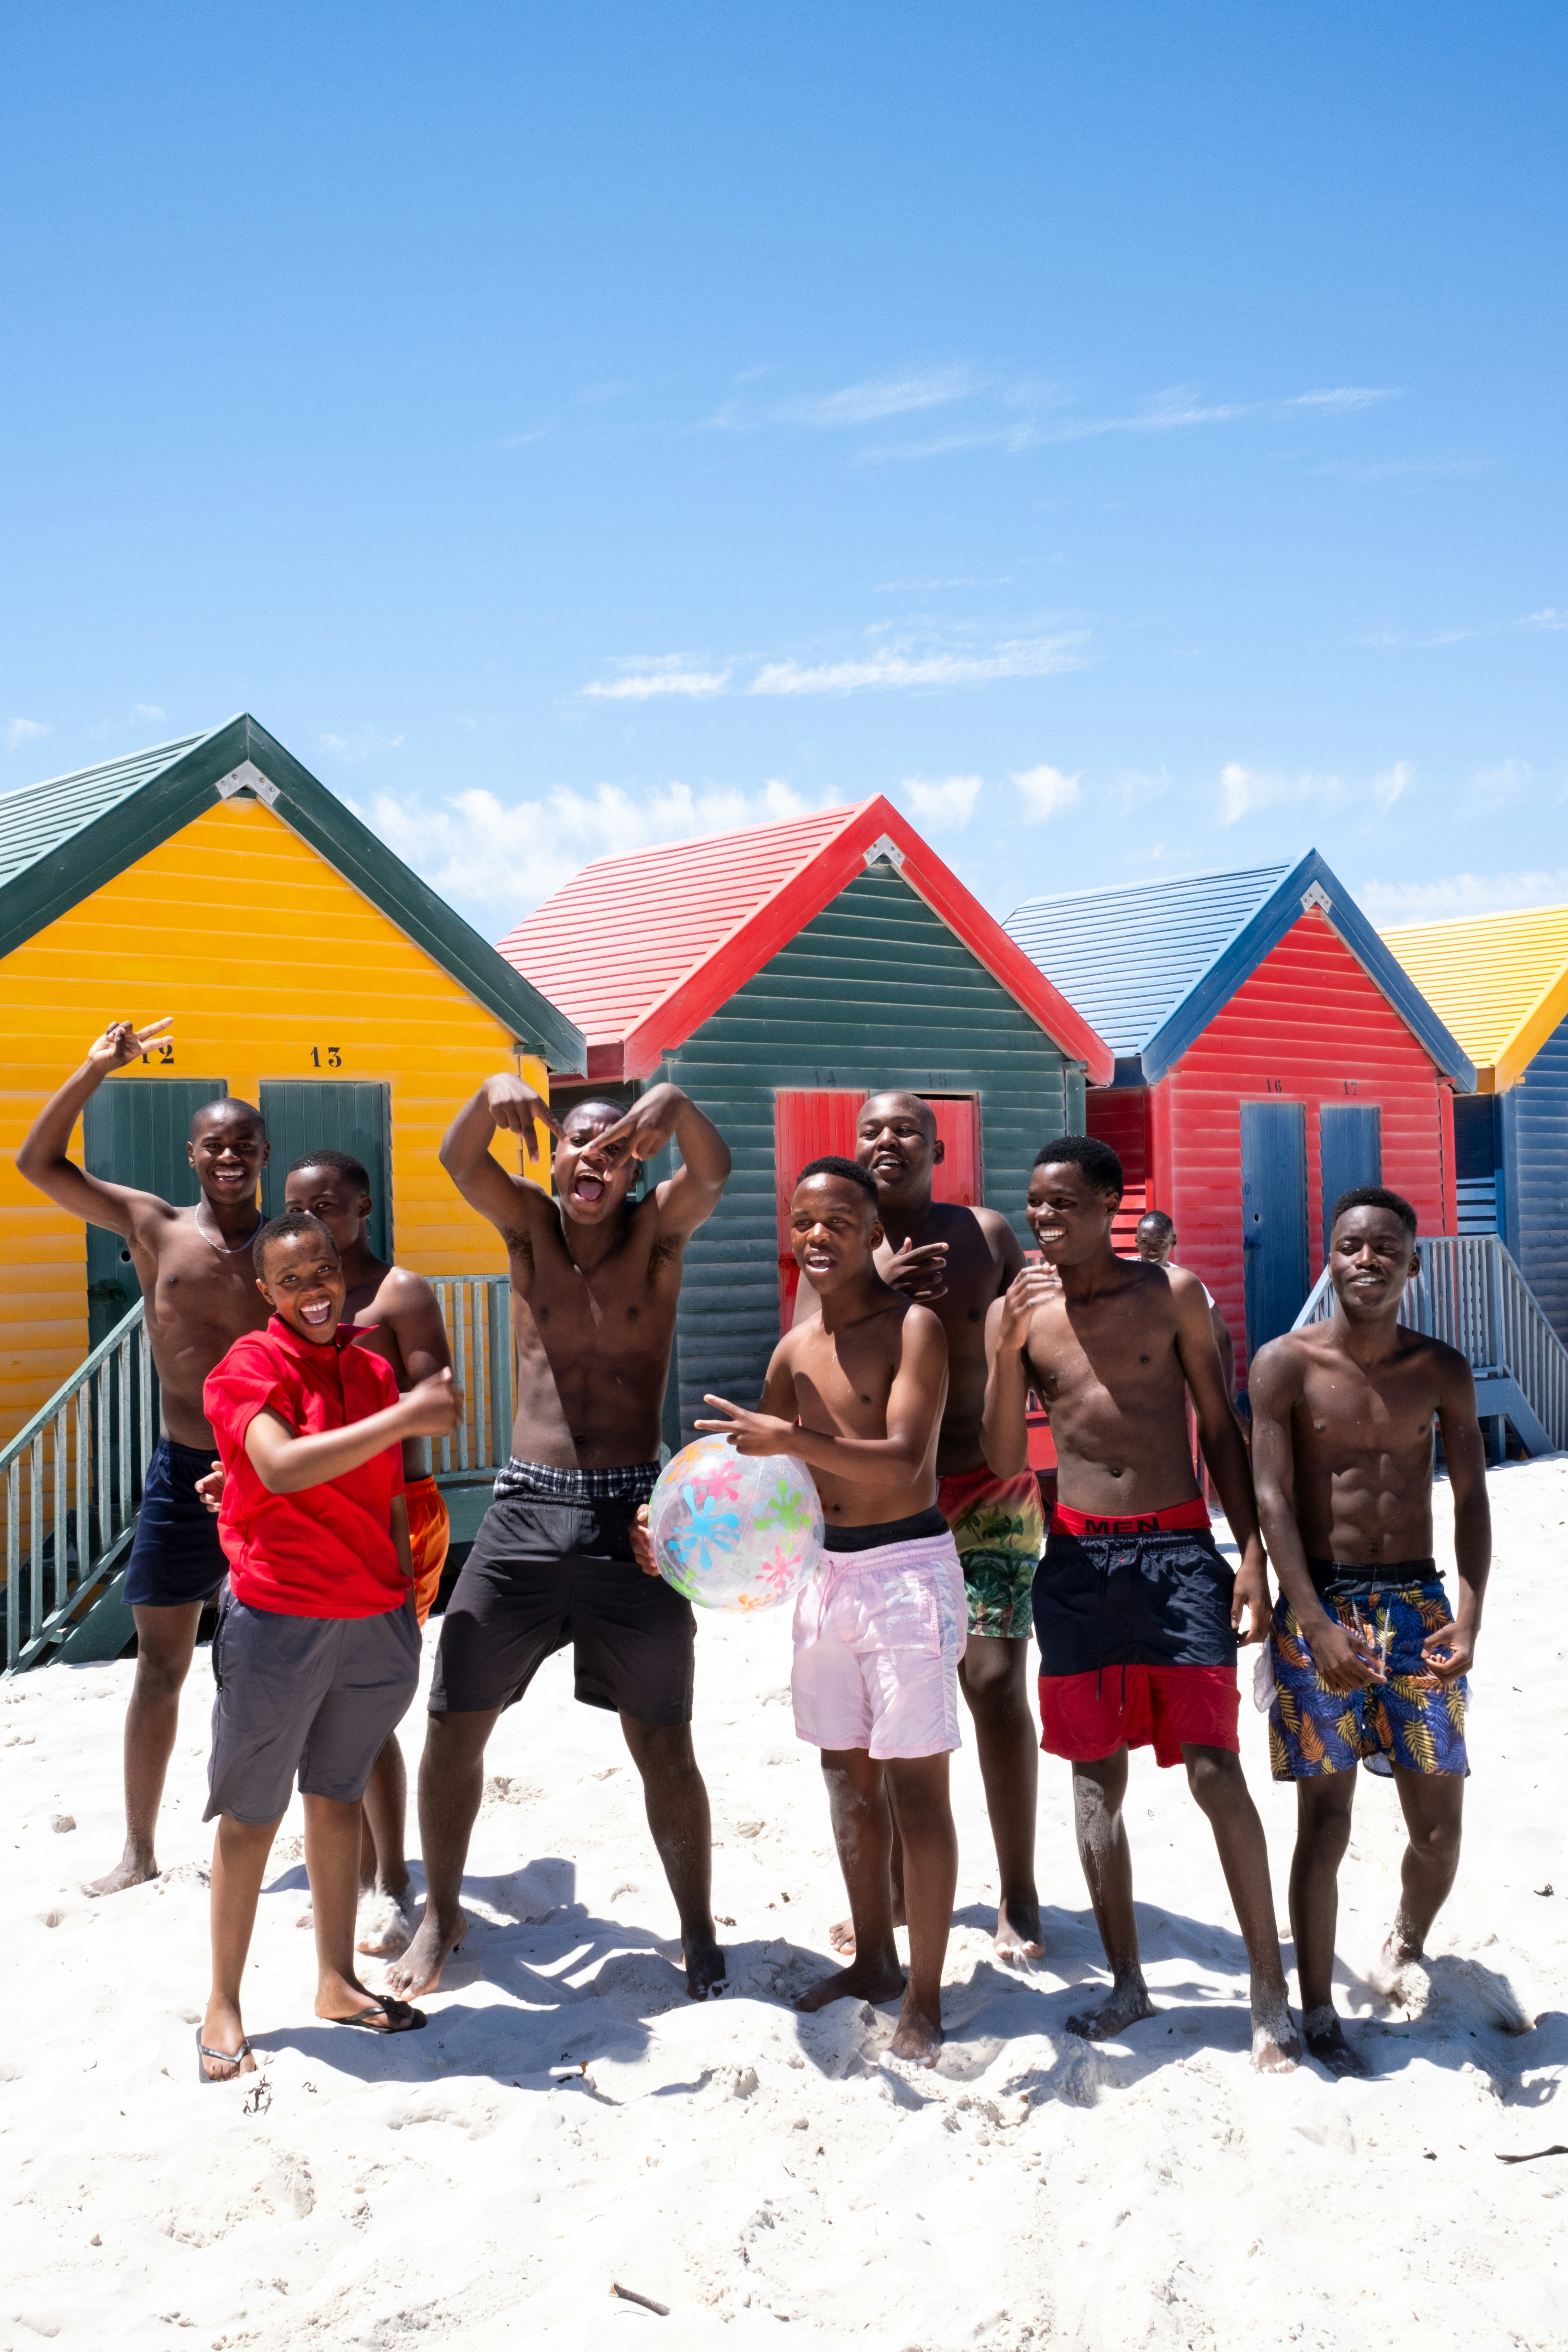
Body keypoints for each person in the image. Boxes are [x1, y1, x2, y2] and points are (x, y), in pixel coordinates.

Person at [386, 1078, 733, 2003]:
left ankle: (697, 1928)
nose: (595, 1159)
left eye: (615, 1148)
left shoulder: (658, 1233)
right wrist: (489, 1089)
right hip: (523, 1515)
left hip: (634, 1520)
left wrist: (673, 1099)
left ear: (634, 1165)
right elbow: (460, 1159)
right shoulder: (530, 1229)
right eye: (580, 1144)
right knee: (454, 1719)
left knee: (664, 1739)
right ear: (552, 1158)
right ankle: (443, 1911)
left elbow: (716, 1167)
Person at [982, 1135, 1299, 2070]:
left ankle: (1266, 1989)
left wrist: (1249, 1555)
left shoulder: (1172, 1296)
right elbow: (1005, 1458)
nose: (1044, 1220)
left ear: (1110, 1204)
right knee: (1090, 1776)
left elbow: (1221, 1427)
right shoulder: (1026, 1316)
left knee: (1211, 1769)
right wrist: (1002, 1348)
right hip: (1077, 1560)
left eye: (1063, 1204)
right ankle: (1126, 1981)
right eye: (1035, 1205)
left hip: (1173, 1550)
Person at [699, 1155, 960, 2066]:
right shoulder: (792, 1348)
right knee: (846, 1784)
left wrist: (789, 1436)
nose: (817, 1236)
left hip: (904, 1572)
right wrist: (674, 1529)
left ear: (872, 1231)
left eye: (838, 1220)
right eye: (803, 1221)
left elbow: (903, 1465)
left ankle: (924, 1996)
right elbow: (758, 1480)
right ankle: (875, 1963)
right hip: (824, 1577)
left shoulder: (914, 1326)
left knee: (916, 1790)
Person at [195, 1210, 463, 2079]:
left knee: (337, 1792)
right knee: (252, 1813)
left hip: (371, 1613)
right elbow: (278, 1466)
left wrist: (400, 1586)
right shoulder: (248, 1365)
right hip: (278, 1614)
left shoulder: (374, 1368)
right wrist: (411, 1413)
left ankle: (336, 1980)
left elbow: (384, 1492)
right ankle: (225, 2002)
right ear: (265, 1291)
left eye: (325, 1270)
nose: (315, 1290)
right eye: (294, 1278)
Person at [16, 1019, 270, 1897]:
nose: (229, 1155)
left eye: (244, 1143)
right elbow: (38, 1166)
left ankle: (277, 1834)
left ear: (263, 1152)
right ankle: (138, 1849)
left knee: (270, 1664)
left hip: (271, 1481)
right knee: (160, 1663)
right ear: (192, 1153)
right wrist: (92, 1068)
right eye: (215, 1144)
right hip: (179, 1472)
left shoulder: (288, 1248)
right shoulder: (153, 1225)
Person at [1247, 1186, 1490, 2079]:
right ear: (1329, 1257)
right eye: (1350, 1245)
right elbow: (1271, 1498)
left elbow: (1469, 1501)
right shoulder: (1283, 1363)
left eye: (1385, 1247)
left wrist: (1467, 1615)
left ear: (1411, 1264)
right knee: (1324, 1818)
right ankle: (1316, 2011)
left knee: (1437, 1824)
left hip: (1418, 1609)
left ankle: (1404, 1939)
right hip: (1324, 1608)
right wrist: (1309, 1620)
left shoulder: (1440, 1370)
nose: (1366, 1259)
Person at [796, 1092, 1043, 1961]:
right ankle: (895, 1891)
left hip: (988, 1489)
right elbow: (800, 1359)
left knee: (994, 1681)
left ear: (939, 1146)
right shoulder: (831, 1250)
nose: (888, 1141)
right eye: (872, 1130)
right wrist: (876, 1292)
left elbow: (1036, 1332)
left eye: (905, 1129)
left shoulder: (985, 1232)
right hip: (883, 1515)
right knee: (880, 1715)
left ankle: (1018, 1892)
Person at [282, 1152, 454, 1955]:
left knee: (370, 1702)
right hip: (316, 1515)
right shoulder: (292, 1298)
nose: (314, 1220)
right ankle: (352, 1878)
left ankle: (391, 1878)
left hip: (395, 1514)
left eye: (327, 1205)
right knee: (321, 1702)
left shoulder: (399, 1293)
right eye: (296, 1208)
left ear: (363, 1205)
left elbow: (436, 1405)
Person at [1134, 1209, 1237, 1401]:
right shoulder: (1120, 1279)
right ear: (1136, 1242)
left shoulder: (1186, 1286)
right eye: (1145, 1243)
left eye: (1160, 1243)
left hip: (1169, 1393)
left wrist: (1228, 1398)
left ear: (1173, 1241)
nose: (1152, 1251)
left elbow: (1222, 1337)